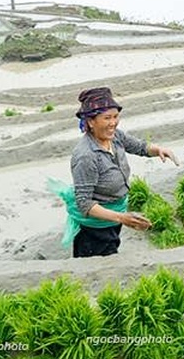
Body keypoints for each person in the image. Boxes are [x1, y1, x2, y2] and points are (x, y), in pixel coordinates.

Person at [67, 87, 177, 258]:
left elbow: (139, 147)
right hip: (95, 228)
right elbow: (84, 204)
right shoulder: (86, 156)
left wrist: (159, 150)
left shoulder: (115, 136)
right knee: (98, 266)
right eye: (107, 118)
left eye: (116, 117)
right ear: (90, 122)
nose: (113, 123)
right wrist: (122, 218)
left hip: (113, 218)